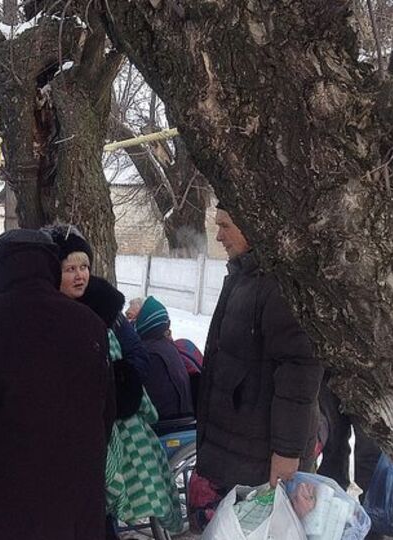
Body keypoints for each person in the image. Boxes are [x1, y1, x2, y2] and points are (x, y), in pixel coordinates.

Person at [0, 229, 114, 540]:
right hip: (76, 501)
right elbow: (105, 413)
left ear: (1, 267)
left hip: (4, 501)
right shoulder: (90, 325)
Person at [43, 224, 181, 537]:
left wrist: (118, 385)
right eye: (70, 269)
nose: (80, 276)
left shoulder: (107, 309)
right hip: (65, 435)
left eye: (84, 267)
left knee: (101, 514)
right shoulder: (46, 315)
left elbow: (137, 356)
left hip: (112, 425)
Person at [189, 207, 322, 531]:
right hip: (237, 450)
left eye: (225, 226)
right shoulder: (244, 277)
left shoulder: (279, 284)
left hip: (263, 458)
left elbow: (299, 371)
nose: (218, 236)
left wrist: (287, 453)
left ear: (253, 223)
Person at [133, 296, 194, 419]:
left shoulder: (149, 354)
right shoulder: (167, 347)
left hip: (165, 428)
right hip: (181, 420)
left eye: (131, 318)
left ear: (144, 321)